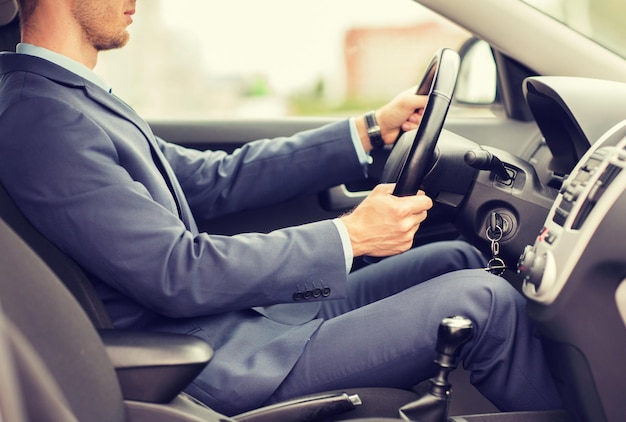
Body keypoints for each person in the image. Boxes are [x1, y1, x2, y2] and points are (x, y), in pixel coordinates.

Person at [0, 0, 562, 416]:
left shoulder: (73, 97)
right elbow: (175, 272)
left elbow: (209, 179)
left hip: (247, 323)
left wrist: (366, 132)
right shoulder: (42, 119)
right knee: (485, 299)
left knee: (457, 259)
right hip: (209, 360)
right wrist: (349, 236)